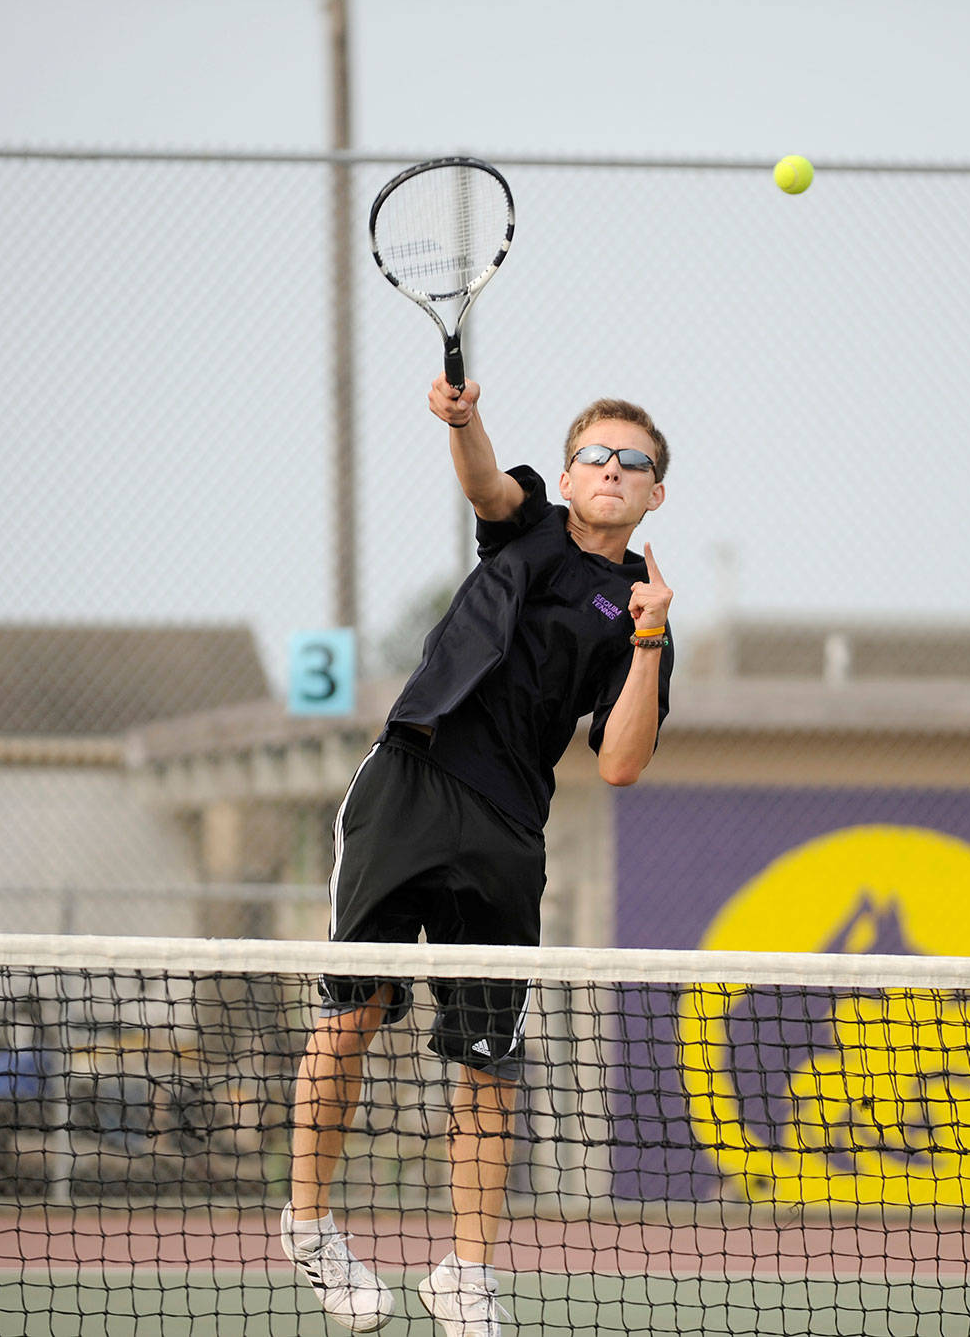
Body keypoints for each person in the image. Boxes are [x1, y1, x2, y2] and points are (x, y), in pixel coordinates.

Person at [279, 374, 674, 1336]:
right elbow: (485, 484)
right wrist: (464, 422)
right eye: (595, 455)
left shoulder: (641, 608)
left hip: (507, 830)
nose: (612, 469)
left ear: (656, 493)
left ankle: (465, 1273)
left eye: (634, 462)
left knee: (490, 1061)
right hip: (411, 783)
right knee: (353, 1012)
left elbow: (620, 762)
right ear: (568, 476)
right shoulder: (527, 524)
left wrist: (651, 637)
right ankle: (309, 1226)